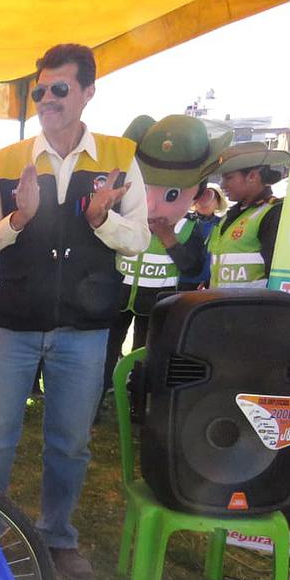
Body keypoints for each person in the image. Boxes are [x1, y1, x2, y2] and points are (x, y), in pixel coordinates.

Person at [0, 44, 149, 580]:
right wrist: (19, 219)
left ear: (88, 92)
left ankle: (57, 535)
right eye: (40, 90)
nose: (47, 99)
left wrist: (101, 220)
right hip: (11, 321)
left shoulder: (120, 156)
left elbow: (138, 239)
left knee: (70, 441)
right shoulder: (7, 159)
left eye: (60, 89)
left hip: (85, 327)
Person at [103, 115, 231, 397]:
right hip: (119, 299)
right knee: (107, 350)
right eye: (144, 191)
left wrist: (169, 238)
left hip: (158, 305)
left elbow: (194, 268)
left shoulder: (188, 229)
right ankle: (99, 398)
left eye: (171, 195)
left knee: (145, 357)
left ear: (196, 193)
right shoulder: (124, 218)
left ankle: (138, 404)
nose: (150, 205)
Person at [209, 142, 289, 288]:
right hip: (222, 306)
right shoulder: (230, 216)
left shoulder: (273, 214)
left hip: (253, 308)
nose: (222, 185)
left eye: (228, 178)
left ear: (252, 176)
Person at [178, 183, 227, 291]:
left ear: (218, 203)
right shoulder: (183, 220)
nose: (204, 200)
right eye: (200, 196)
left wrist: (208, 280)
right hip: (180, 279)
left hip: (207, 282)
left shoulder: (223, 224)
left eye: (210, 196)